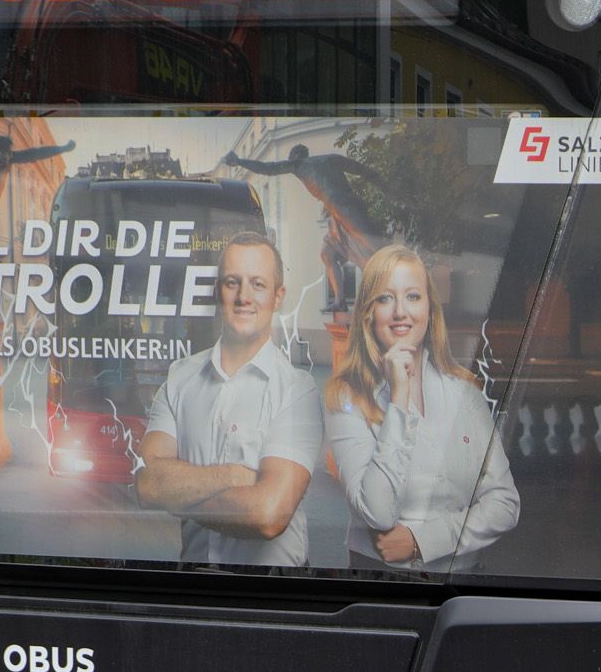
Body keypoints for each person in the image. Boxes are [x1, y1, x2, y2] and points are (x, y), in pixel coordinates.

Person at [323, 243, 521, 572]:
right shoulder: (345, 397)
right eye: (385, 298)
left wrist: (421, 541)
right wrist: (398, 398)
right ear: (368, 313)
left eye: (413, 296)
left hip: (460, 582)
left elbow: (505, 503)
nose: (401, 311)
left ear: (430, 309)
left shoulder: (465, 394)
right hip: (381, 582)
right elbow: (378, 512)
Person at [134, 228, 321, 568]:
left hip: (274, 597)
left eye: (258, 284)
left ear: (279, 297)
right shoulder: (180, 378)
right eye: (232, 282)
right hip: (193, 591)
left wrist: (178, 492)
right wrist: (234, 477)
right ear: (218, 290)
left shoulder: (298, 389)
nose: (243, 297)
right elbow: (148, 484)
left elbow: (268, 515)